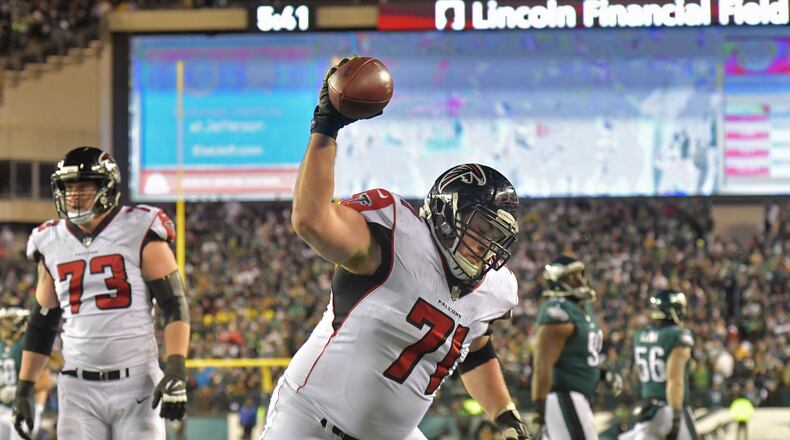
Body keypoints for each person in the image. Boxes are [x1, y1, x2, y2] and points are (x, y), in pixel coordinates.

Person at [261, 57, 530, 440]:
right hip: (310, 421)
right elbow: (310, 220)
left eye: (496, 235)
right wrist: (327, 126)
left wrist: (504, 414)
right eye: (479, 226)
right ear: (445, 212)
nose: (485, 244)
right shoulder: (395, 234)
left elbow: (476, 345)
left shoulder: (493, 290)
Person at [11, 147, 191, 440]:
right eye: (69, 187)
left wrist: (176, 367)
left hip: (137, 383)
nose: (74, 195)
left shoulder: (139, 226)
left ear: (106, 188)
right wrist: (24, 388)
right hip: (77, 387)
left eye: (83, 186)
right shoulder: (49, 239)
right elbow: (42, 322)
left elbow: (174, 305)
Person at [531, 256, 623, 440]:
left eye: (580, 274)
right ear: (558, 281)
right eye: (572, 277)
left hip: (577, 398)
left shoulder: (581, 307)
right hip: (563, 397)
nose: (581, 280)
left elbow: (580, 354)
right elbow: (542, 366)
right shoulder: (557, 311)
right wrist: (540, 414)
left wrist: (602, 374)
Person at [618, 289, 698, 440]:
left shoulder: (639, 336)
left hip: (647, 408)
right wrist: (676, 416)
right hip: (669, 406)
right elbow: (675, 379)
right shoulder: (678, 335)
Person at [0, 308, 51, 440]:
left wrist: (18, 391)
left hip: (21, 408)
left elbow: (45, 381)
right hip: (3, 407)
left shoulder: (27, 345)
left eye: (7, 322)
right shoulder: (2, 345)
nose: (3, 326)